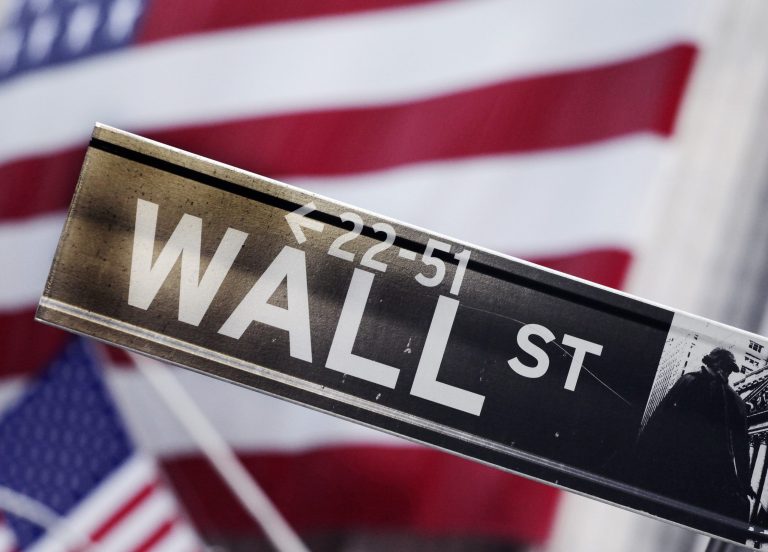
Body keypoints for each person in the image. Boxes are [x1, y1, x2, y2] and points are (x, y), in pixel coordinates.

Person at [632, 348, 752, 537]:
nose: (727, 372)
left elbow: (741, 444)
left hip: (699, 473)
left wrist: (744, 483)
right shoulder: (691, 381)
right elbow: (661, 417)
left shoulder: (732, 399)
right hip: (682, 468)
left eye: (729, 369)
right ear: (713, 363)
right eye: (726, 367)